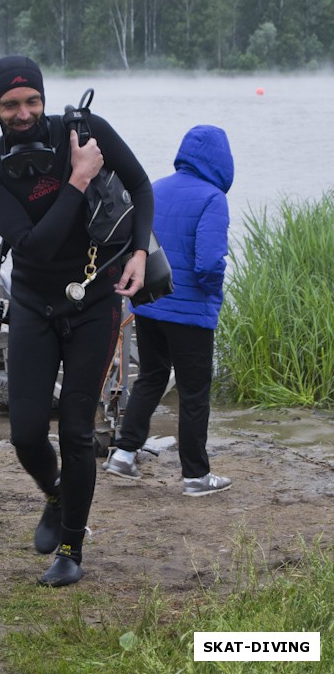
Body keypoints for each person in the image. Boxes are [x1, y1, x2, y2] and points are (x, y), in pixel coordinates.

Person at [0, 55, 154, 586]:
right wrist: (77, 178)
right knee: (26, 435)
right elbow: (36, 247)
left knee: (76, 431)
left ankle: (72, 547)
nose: (23, 113)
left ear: (44, 100)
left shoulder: (86, 131)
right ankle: (55, 493)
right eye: (10, 105)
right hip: (32, 303)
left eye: (31, 101)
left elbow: (140, 186)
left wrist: (139, 252)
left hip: (95, 302)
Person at [103, 124, 234, 497]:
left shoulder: (156, 188)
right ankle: (195, 476)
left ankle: (124, 455)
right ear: (222, 160)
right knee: (194, 393)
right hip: (190, 313)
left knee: (151, 376)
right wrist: (210, 294)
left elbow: (135, 244)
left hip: (150, 304)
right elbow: (209, 263)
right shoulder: (213, 198)